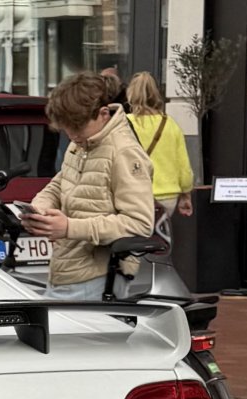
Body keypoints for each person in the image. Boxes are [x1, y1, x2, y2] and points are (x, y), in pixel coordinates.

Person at [22, 72, 155, 301]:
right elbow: (60, 183)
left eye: (78, 128)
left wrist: (68, 228)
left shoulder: (123, 151)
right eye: (67, 129)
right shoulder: (83, 144)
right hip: (69, 271)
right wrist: (40, 209)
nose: (72, 135)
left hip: (99, 278)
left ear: (103, 114)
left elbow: (140, 224)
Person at [125, 71, 194, 249]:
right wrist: (185, 194)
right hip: (167, 198)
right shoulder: (170, 124)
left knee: (133, 244)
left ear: (131, 95)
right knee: (158, 243)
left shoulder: (124, 124)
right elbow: (183, 167)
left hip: (135, 196)